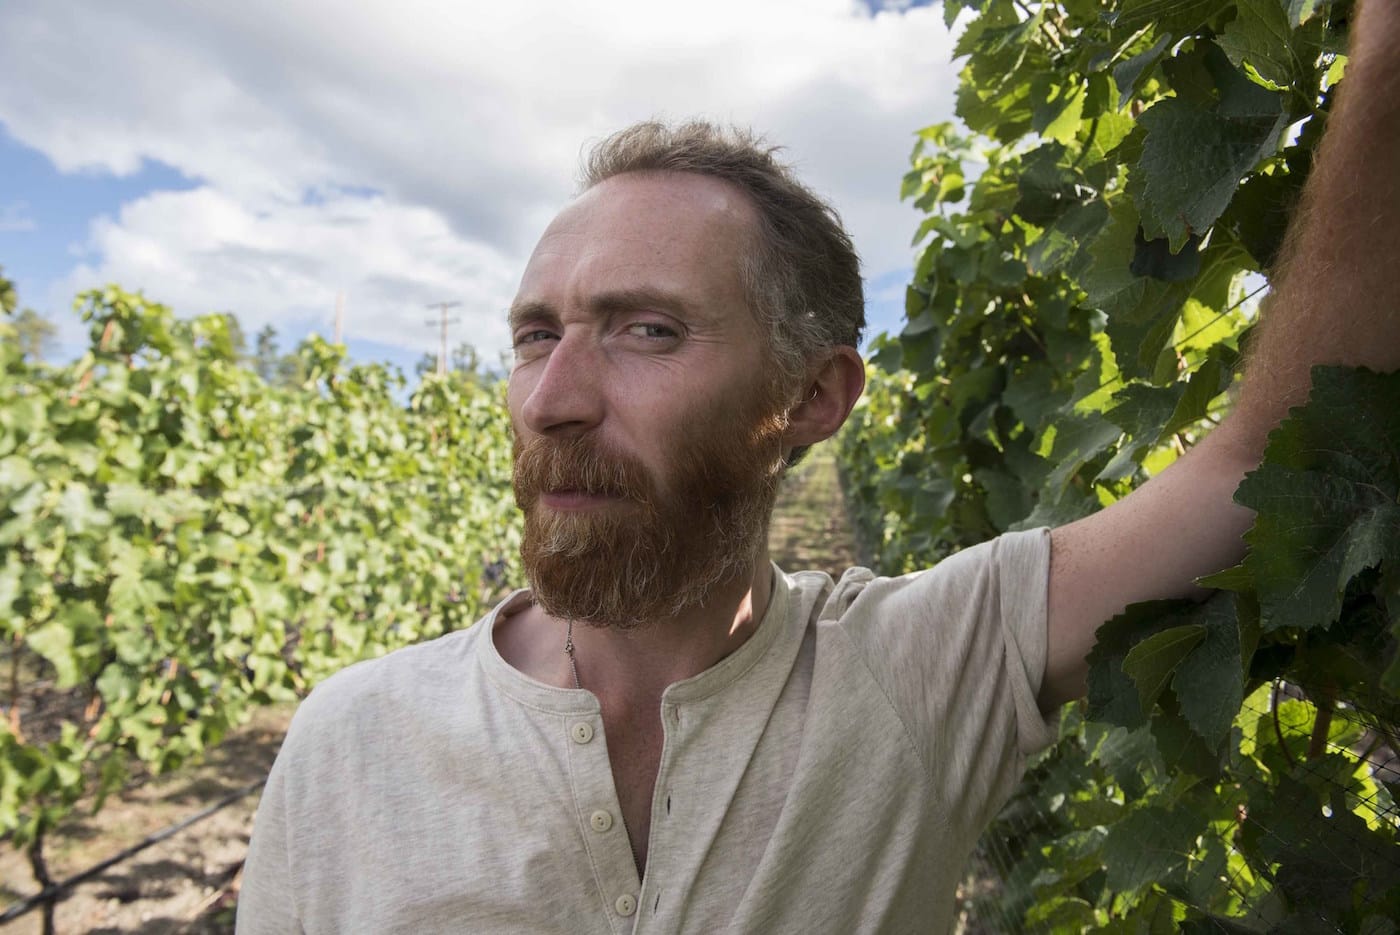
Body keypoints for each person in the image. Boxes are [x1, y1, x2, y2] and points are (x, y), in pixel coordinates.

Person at [237, 3, 1399, 930]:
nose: (551, 400)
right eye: (535, 335)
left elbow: (1262, 456)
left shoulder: (915, 672)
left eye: (647, 329)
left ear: (811, 398)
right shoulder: (348, 742)